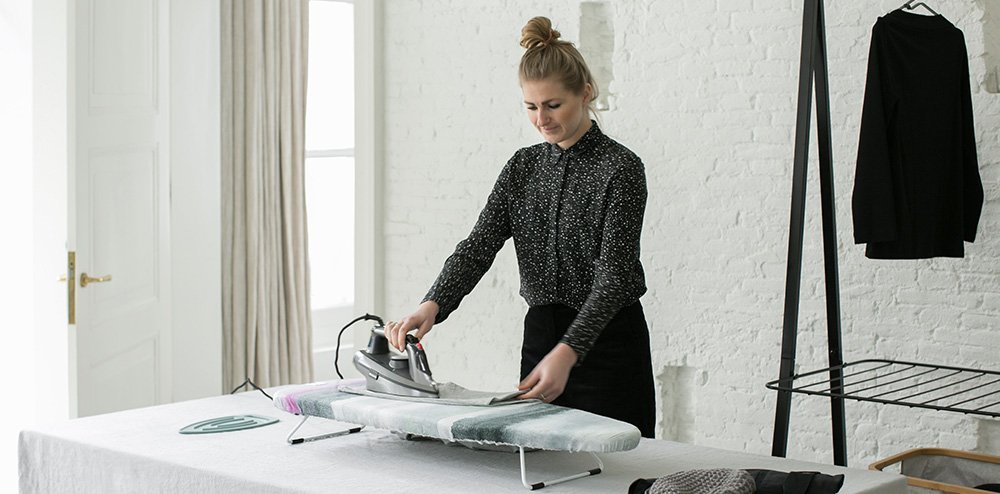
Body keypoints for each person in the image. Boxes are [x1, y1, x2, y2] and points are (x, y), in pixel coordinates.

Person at [384, 16, 655, 438]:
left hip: (608, 345)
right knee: (541, 459)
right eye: (531, 107)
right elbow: (478, 246)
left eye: (553, 105)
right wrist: (433, 304)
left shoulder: (620, 168)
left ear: (585, 93)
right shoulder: (521, 168)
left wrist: (569, 351)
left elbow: (615, 277)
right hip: (541, 338)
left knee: (619, 463)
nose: (541, 119)